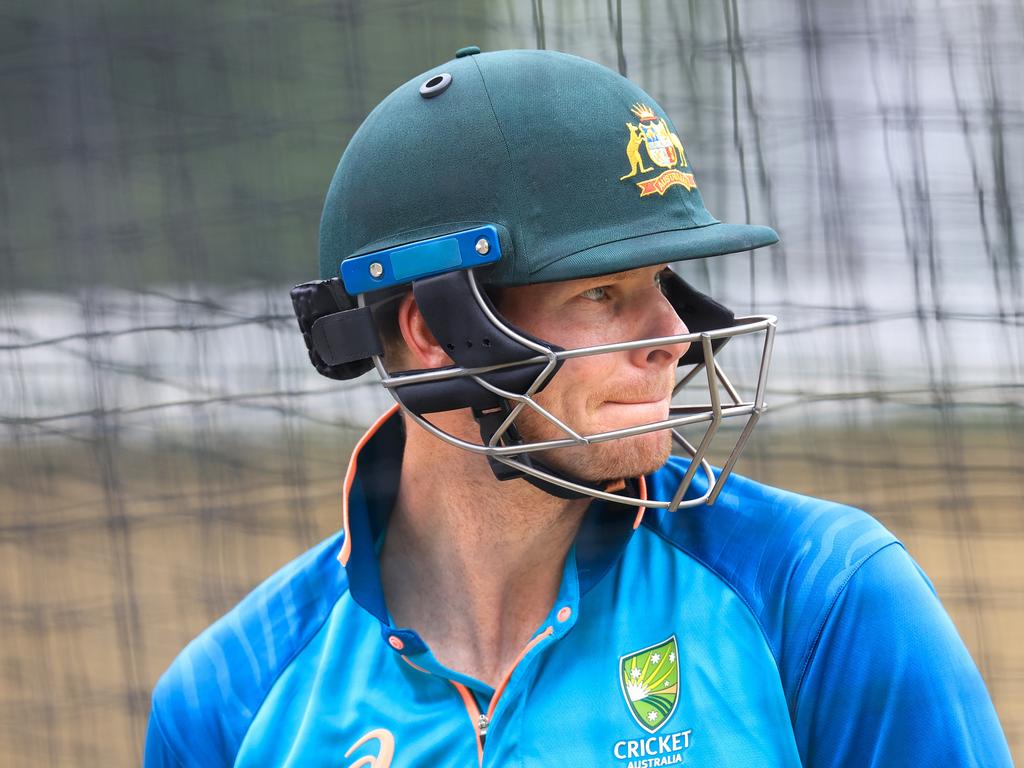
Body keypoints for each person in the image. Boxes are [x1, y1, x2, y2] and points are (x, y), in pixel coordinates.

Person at [144, 48, 1012, 767]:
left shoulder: (822, 594)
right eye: (603, 293)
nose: (673, 337)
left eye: (662, 284)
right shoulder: (233, 697)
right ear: (433, 331)